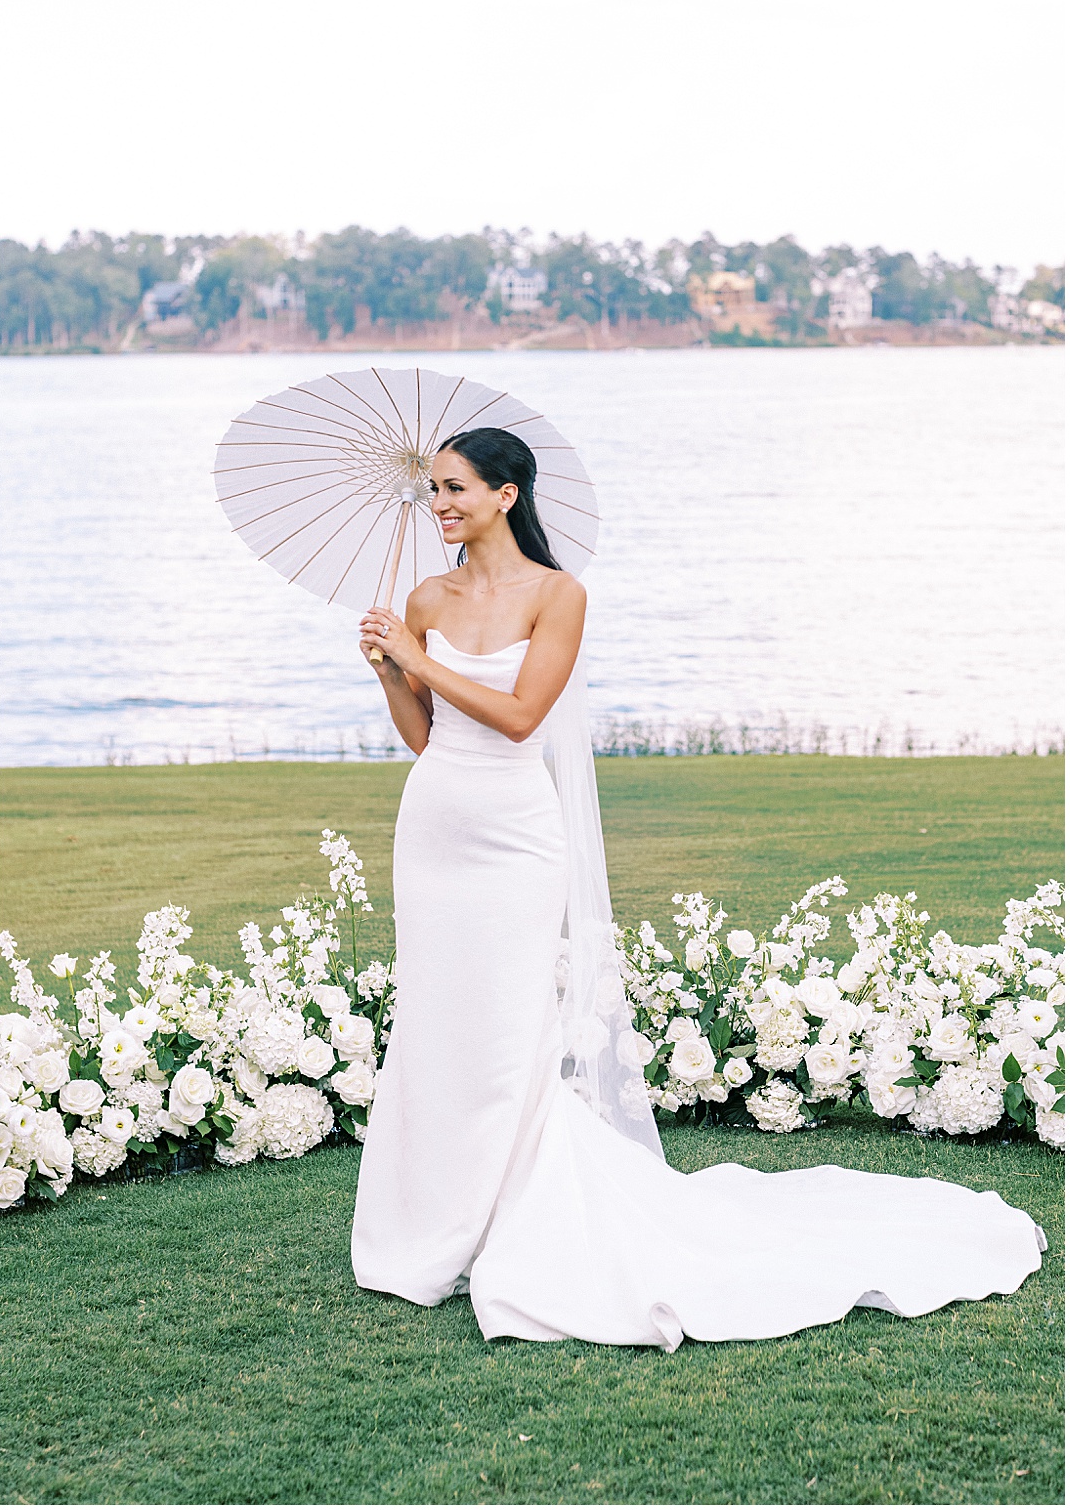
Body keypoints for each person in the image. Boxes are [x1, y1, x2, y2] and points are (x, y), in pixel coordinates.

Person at [350, 426, 1044, 1350]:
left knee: (510, 1020)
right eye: (431, 490)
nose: (437, 504)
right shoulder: (425, 597)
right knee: (438, 1014)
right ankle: (433, 1214)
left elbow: (520, 720)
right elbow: (428, 738)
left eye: (454, 488)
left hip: (517, 837)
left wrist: (420, 656)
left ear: (506, 495)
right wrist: (391, 670)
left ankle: (513, 1208)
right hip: (434, 826)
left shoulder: (558, 595)